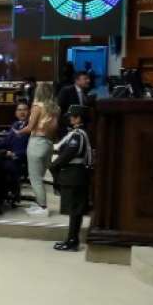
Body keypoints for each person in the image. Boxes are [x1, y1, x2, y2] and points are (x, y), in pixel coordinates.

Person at [51, 106, 92, 252]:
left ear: (78, 118)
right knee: (76, 210)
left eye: (72, 116)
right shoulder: (80, 133)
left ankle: (72, 240)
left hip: (74, 174)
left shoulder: (77, 135)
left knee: (75, 210)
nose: (70, 118)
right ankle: (71, 239)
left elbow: (69, 154)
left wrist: (54, 165)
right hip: (76, 174)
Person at [17, 82, 58, 216]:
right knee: (40, 176)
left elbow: (30, 127)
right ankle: (42, 205)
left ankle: (42, 207)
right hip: (48, 143)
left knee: (35, 178)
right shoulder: (55, 108)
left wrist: (18, 132)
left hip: (37, 142)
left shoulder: (37, 106)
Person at [0, 102, 30, 210]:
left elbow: (31, 148)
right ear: (16, 113)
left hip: (20, 158)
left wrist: (15, 154)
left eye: (24, 109)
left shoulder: (31, 126)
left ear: (29, 112)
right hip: (9, 156)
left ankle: (3, 197)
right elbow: (6, 141)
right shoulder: (15, 125)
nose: (22, 112)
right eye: (19, 110)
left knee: (0, 167)